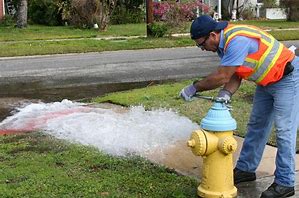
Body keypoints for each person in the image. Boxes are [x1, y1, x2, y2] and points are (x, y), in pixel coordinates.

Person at [180, 15, 299, 198]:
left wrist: (195, 87)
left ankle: (285, 183)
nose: (202, 49)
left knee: (284, 131)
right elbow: (236, 72)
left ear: (212, 35)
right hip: (266, 81)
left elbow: (223, 76)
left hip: (288, 79)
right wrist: (226, 93)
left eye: (201, 44)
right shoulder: (223, 44)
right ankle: (246, 169)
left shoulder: (237, 40)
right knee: (256, 126)